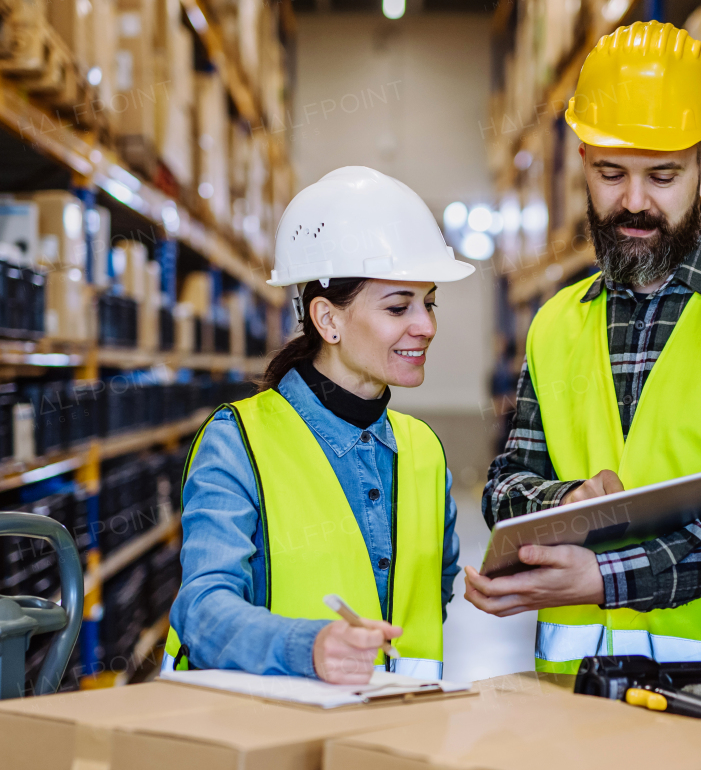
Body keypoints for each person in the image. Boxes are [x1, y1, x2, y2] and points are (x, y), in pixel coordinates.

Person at [463, 21, 701, 690]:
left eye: (663, 175)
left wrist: (609, 575)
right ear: (582, 159)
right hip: (578, 708)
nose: (634, 202)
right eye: (611, 173)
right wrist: (568, 502)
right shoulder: (556, 324)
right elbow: (505, 485)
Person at [164, 166, 474, 683]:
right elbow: (202, 609)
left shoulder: (424, 450)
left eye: (429, 302)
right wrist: (307, 648)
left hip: (393, 739)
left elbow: (433, 592)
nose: (426, 327)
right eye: (399, 307)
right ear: (327, 319)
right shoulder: (237, 442)